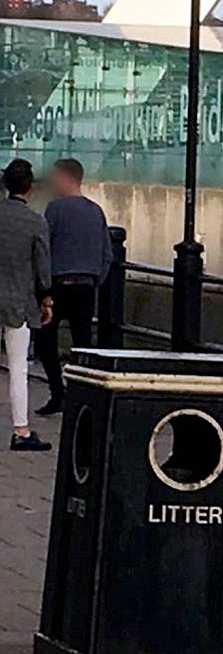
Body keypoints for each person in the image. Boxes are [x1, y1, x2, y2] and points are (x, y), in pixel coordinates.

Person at [36, 158, 113, 415]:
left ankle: (57, 393)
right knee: (83, 343)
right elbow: (107, 254)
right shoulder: (96, 211)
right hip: (86, 285)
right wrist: (95, 279)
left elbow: (44, 249)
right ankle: (82, 397)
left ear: (65, 178)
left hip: (58, 284)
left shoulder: (54, 210)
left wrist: (44, 287)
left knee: (46, 341)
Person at [0, 160, 53, 451]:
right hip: (20, 301)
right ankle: (21, 431)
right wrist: (46, 298)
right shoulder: (35, 222)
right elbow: (43, 269)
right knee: (18, 367)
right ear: (30, 188)